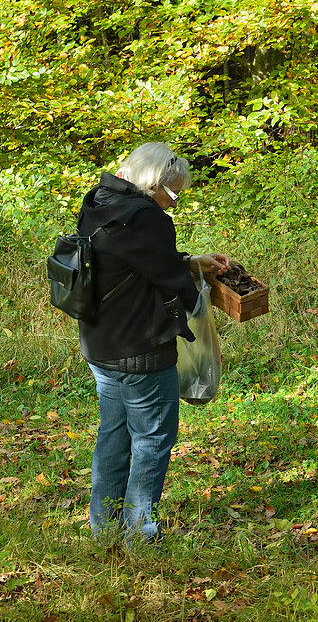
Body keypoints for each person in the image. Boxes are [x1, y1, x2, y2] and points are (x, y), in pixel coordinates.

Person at [78, 142, 230, 545]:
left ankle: (104, 528)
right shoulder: (145, 218)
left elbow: (134, 265)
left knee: (114, 434)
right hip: (140, 347)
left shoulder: (101, 199)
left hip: (101, 344)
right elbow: (174, 285)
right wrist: (202, 309)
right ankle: (140, 537)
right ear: (153, 184)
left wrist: (190, 261)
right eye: (173, 194)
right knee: (152, 438)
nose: (174, 204)